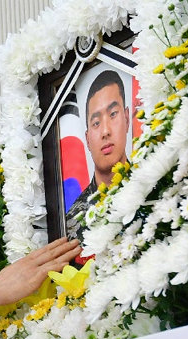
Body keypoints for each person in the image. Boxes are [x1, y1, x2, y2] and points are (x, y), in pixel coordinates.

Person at [66, 69, 130, 242]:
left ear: (127, 118)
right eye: (96, 123)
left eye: (113, 114)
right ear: (87, 138)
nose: (105, 131)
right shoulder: (72, 220)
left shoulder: (153, 188)